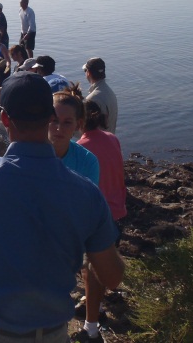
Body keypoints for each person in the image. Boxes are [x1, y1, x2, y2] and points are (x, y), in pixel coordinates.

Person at [0, 73, 124, 343]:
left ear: (5, 119)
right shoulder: (87, 194)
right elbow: (112, 276)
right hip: (51, 335)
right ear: (50, 117)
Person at [76, 100, 127, 342]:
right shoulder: (112, 138)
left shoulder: (81, 147)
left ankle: (92, 327)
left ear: (80, 121)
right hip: (118, 209)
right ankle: (94, 302)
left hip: (100, 216)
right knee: (99, 267)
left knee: (91, 270)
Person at [49, 84, 100, 185]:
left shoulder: (88, 162)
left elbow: (88, 200)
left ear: (78, 124)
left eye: (67, 122)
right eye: (54, 120)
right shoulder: (28, 155)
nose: (59, 128)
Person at [84, 57, 118, 134]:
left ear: (88, 73)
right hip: (110, 141)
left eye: (85, 71)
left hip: (96, 144)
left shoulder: (93, 99)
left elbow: (85, 129)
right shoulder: (110, 92)